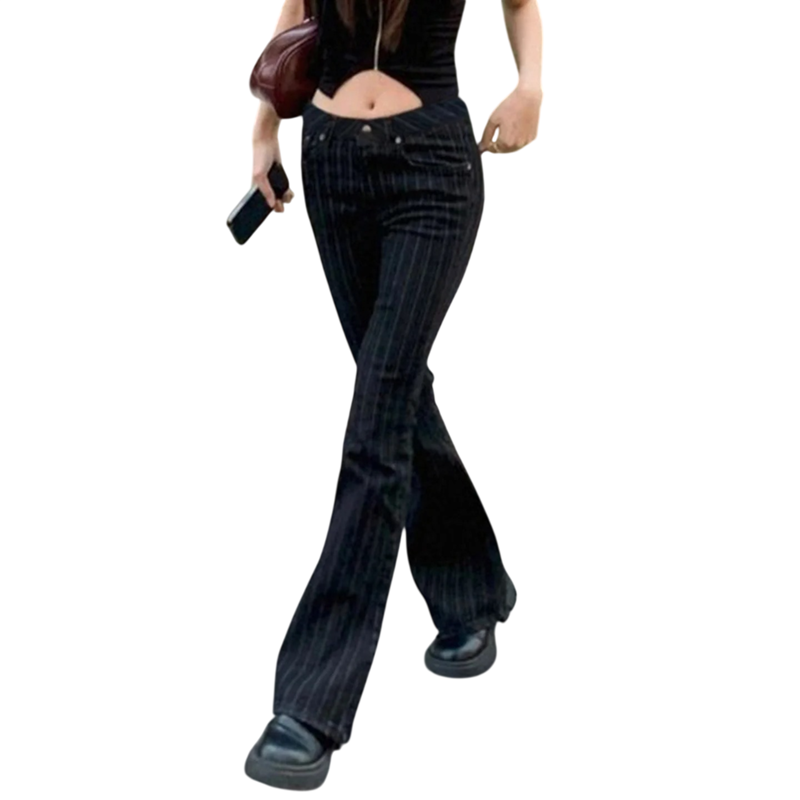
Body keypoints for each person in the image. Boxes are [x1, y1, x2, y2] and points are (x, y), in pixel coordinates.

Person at [244, 0, 543, 790]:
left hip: (432, 172)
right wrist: (264, 130)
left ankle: (310, 703)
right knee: (396, 393)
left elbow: (519, 3)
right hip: (333, 163)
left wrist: (530, 88)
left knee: (375, 423)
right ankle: (472, 591)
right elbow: (295, 12)